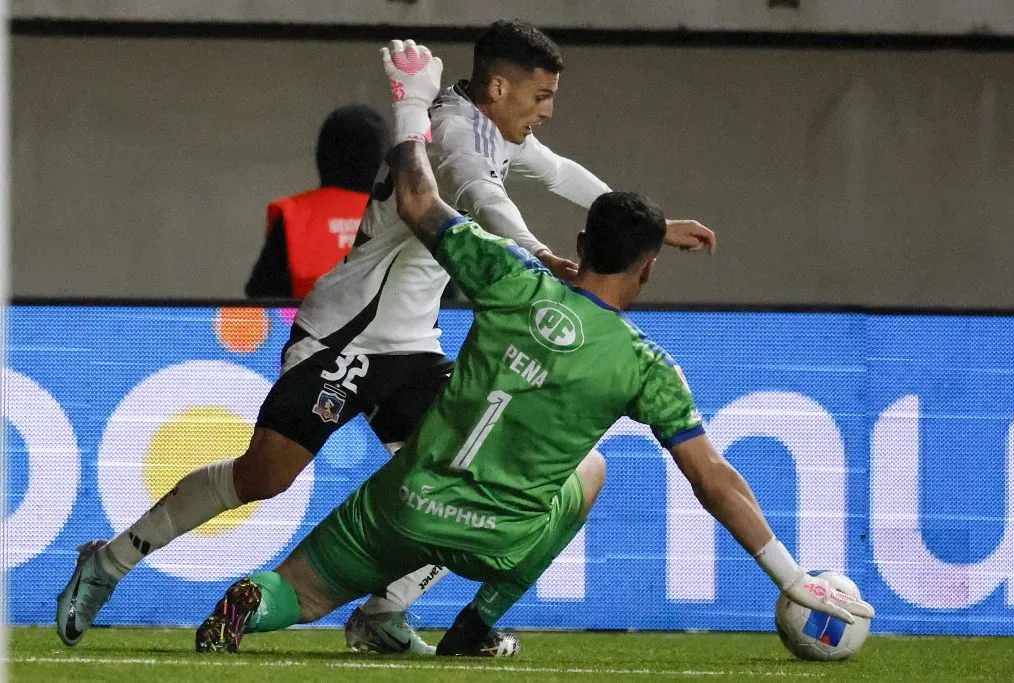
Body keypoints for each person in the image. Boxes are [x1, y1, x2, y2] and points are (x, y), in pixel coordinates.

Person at [192, 40, 875, 657]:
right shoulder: (646, 363)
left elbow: (420, 198)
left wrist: (411, 107)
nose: (546, 110)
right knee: (592, 472)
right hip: (499, 535)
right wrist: (795, 578)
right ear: (648, 268)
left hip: (407, 502)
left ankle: (261, 600)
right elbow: (714, 480)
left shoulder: (509, 278)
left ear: (578, 250)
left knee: (300, 589)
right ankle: (476, 621)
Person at [55, 20, 715, 654]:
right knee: (264, 476)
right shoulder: (456, 134)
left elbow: (558, 171)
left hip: (415, 348)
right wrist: (548, 256)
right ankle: (108, 562)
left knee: (462, 489)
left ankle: (383, 611)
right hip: (347, 336)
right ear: (501, 89)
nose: (547, 110)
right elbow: (487, 203)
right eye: (541, 96)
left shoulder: (497, 128)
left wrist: (649, 228)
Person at [245, 104, 389, 299]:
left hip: (305, 327)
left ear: (324, 153)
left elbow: (262, 299)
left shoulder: (294, 215)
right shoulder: (406, 217)